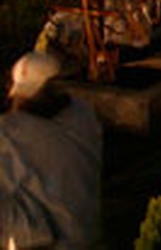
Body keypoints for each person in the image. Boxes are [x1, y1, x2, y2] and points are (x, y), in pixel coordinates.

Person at [0, 52, 103, 249]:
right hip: (86, 232)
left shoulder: (9, 133)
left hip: (49, 240)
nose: (19, 101)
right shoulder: (83, 114)